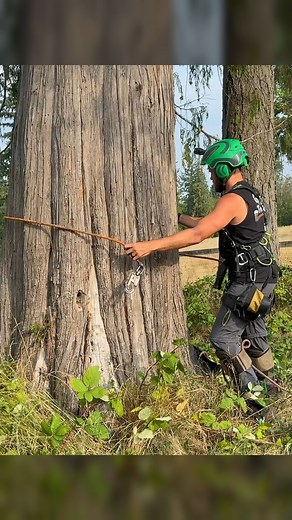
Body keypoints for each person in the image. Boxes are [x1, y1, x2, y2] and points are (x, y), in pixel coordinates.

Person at [124, 138, 280, 395]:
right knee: (254, 333)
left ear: (222, 168)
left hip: (248, 283)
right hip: (263, 279)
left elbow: (198, 235)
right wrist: (178, 217)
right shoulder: (249, 195)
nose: (210, 176)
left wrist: (148, 246)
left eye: (211, 170)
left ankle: (256, 399)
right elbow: (207, 223)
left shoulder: (230, 200)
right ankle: (273, 388)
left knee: (224, 339)